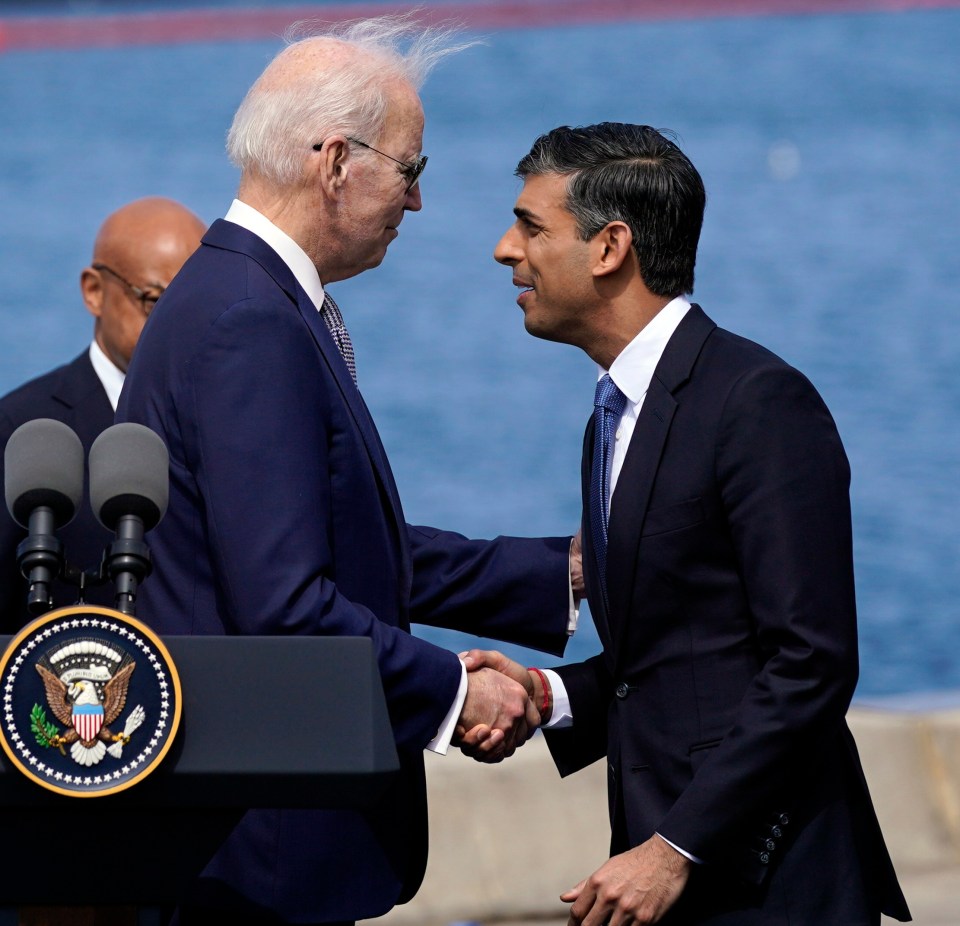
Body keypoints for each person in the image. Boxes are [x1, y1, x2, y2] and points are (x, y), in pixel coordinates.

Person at [116, 17, 579, 926]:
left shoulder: (232, 293)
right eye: (412, 171)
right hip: (261, 839)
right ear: (335, 161)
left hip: (241, 827)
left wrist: (554, 573)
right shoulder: (251, 321)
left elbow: (323, 535)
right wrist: (457, 690)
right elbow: (284, 603)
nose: (415, 204)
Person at [463, 123, 911, 924]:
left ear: (610, 248)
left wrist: (676, 849)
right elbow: (672, 656)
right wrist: (549, 694)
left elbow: (811, 662)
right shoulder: (612, 414)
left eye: (531, 227)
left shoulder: (759, 404)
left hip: (775, 884)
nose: (505, 249)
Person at [0, 196, 205, 629]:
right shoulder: (23, 430)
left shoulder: (228, 427)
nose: (176, 329)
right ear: (95, 291)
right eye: (155, 302)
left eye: (192, 308)